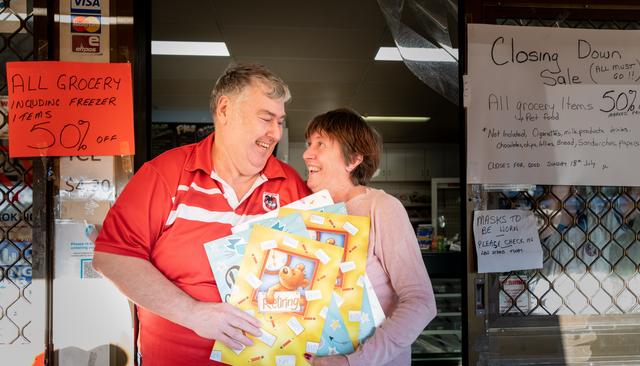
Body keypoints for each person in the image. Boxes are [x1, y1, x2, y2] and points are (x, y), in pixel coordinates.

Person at [92, 63, 311, 366]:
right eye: (266, 119)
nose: (275, 133)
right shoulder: (165, 175)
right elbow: (112, 256)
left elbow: (318, 277)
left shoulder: (291, 187)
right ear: (224, 110)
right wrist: (192, 313)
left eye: (280, 122)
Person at [301, 108, 436, 366]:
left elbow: (421, 302)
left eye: (320, 144)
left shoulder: (382, 207)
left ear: (353, 159)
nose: (307, 154)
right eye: (309, 144)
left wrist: (353, 362)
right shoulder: (309, 212)